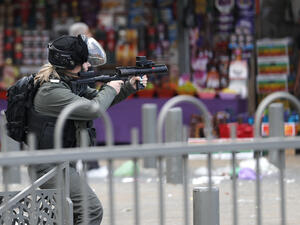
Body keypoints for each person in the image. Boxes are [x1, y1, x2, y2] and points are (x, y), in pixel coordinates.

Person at [28, 35, 147, 225]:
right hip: (49, 167)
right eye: (82, 62)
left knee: (70, 215)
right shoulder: (52, 91)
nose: (87, 66)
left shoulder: (68, 83)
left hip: (62, 163)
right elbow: (94, 109)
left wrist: (128, 87)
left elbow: (97, 99)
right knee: (91, 209)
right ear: (69, 63)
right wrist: (110, 88)